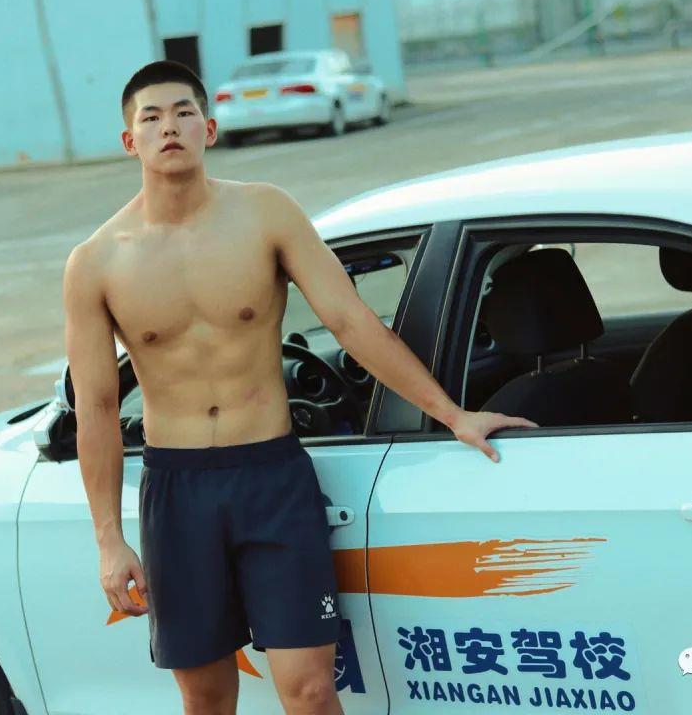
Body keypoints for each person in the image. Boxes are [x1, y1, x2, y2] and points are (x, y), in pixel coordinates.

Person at [62, 59, 537, 715]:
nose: (169, 127)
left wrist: (452, 414)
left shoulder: (266, 214)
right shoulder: (96, 262)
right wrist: (108, 541)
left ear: (209, 129)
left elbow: (351, 322)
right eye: (151, 117)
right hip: (177, 491)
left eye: (183, 112)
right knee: (205, 696)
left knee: (311, 690)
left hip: (272, 477)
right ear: (129, 140)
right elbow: (96, 406)